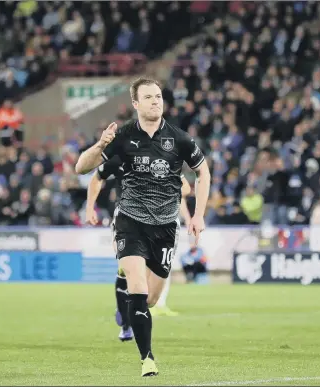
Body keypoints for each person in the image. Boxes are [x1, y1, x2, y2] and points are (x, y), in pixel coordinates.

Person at [75, 77, 211, 377]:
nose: (156, 101)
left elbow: (202, 172)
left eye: (159, 96)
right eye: (148, 97)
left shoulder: (179, 139)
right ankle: (147, 358)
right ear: (136, 104)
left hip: (165, 227)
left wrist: (198, 215)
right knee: (138, 288)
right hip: (130, 221)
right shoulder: (123, 137)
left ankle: (126, 304)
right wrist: (100, 145)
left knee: (149, 298)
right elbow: (83, 169)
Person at [84, 156, 192, 342]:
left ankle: (132, 310)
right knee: (126, 268)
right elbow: (97, 177)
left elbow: (186, 188)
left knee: (147, 283)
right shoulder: (120, 155)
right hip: (125, 219)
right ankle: (126, 324)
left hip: (156, 222)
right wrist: (89, 208)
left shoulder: (161, 158)